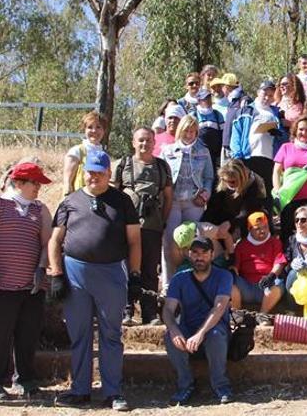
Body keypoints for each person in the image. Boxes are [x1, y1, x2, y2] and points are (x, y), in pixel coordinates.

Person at [48, 151, 141, 410]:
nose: (95, 176)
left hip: (111, 273)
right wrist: (56, 273)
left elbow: (134, 241)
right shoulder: (70, 202)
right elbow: (55, 240)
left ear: (109, 174)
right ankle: (80, 389)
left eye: (100, 172)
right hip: (75, 272)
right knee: (80, 334)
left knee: (111, 334)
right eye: (91, 171)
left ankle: (112, 391)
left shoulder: (123, 201)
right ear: (83, 172)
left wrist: (134, 275)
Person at [0, 162, 52, 400]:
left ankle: (25, 379)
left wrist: (42, 267)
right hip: (0, 283)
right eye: (34, 183)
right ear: (19, 182)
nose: (38, 188)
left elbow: (46, 243)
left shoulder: (41, 209)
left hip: (31, 285)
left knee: (27, 334)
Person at [112, 127, 174, 326]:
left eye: (148, 140)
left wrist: (162, 221)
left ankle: (150, 312)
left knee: (149, 269)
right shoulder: (124, 164)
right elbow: (114, 193)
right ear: (133, 142)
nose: (144, 144)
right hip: (126, 226)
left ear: (154, 143)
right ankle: (125, 310)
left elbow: (168, 197)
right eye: (140, 140)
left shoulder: (162, 167)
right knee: (125, 268)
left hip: (152, 226)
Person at [163, 237, 234, 405]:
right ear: (189, 254)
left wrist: (200, 333)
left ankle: (221, 385)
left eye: (204, 253)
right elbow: (167, 309)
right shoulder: (179, 278)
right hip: (188, 327)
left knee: (215, 334)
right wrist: (174, 329)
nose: (199, 257)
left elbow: (219, 307)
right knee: (169, 336)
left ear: (212, 254)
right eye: (195, 252)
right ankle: (185, 384)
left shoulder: (224, 276)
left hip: (217, 328)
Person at [161, 115, 213, 288]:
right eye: (186, 131)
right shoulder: (167, 150)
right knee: (170, 242)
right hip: (173, 201)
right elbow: (162, 176)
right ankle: (168, 284)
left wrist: (204, 195)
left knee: (192, 242)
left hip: (193, 202)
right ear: (179, 131)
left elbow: (209, 177)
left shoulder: (203, 151)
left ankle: (191, 282)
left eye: (193, 131)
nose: (189, 134)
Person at [273, 118, 307, 244]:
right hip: (289, 198)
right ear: (295, 131)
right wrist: (277, 190)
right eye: (301, 129)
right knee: (287, 231)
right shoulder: (286, 147)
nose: (304, 132)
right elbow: (276, 171)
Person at [231, 212, 286, 322]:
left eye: (265, 227)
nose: (262, 231)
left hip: (266, 287)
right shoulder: (242, 245)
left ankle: (263, 314)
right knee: (228, 282)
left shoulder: (275, 242)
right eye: (257, 228)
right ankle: (236, 313)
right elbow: (235, 267)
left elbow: (279, 263)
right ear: (250, 229)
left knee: (279, 284)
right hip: (246, 287)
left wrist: (271, 276)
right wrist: (232, 273)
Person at [203, 160, 269, 242]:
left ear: (242, 178)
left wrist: (231, 223)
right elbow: (213, 206)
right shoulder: (222, 179)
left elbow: (247, 211)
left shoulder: (254, 184)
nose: (229, 184)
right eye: (225, 180)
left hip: (248, 215)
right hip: (226, 212)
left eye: (232, 181)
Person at [245, 81, 282, 196]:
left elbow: (282, 134)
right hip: (251, 155)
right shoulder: (248, 109)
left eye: (271, 95)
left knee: (267, 191)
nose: (267, 97)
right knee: (251, 191)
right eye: (264, 93)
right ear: (258, 93)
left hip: (270, 156)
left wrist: (276, 131)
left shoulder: (275, 112)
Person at [63, 111, 107, 196]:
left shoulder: (105, 155)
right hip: (79, 199)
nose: (94, 131)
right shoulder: (77, 151)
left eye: (98, 127)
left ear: (104, 130)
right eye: (90, 127)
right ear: (84, 130)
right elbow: (67, 182)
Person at [193, 90, 225, 179]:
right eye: (204, 99)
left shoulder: (218, 115)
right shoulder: (194, 115)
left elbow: (223, 134)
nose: (208, 100)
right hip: (199, 156)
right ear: (199, 101)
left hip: (215, 157)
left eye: (209, 98)